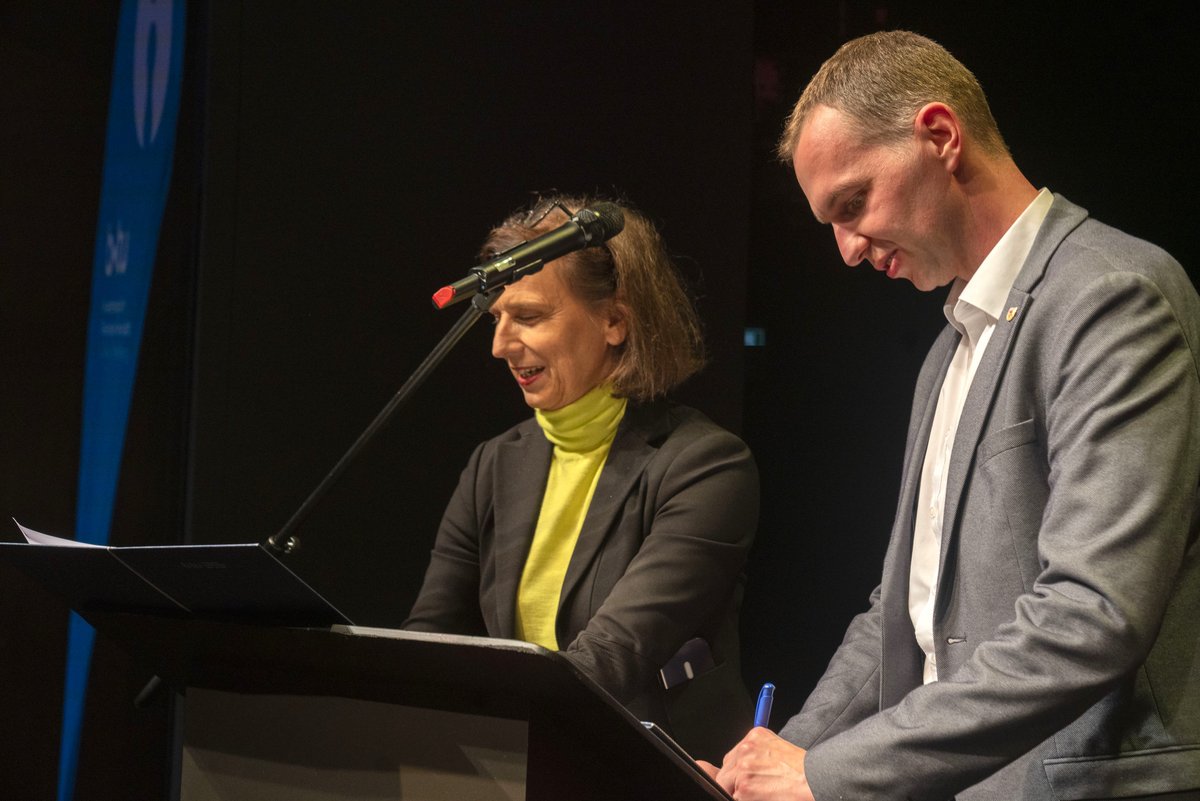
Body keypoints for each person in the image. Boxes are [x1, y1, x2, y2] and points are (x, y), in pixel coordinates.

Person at [705, 30, 1200, 800]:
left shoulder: (1110, 294)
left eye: (853, 203)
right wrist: (779, 756)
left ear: (939, 136)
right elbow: (900, 613)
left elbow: (1091, 612)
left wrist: (827, 773)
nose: (844, 249)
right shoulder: (948, 350)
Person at [404, 194, 759, 760]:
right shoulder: (493, 464)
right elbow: (431, 637)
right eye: (497, 318)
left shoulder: (706, 464)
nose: (499, 346)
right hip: (524, 757)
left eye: (528, 316)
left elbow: (615, 654)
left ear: (614, 321)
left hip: (654, 771)